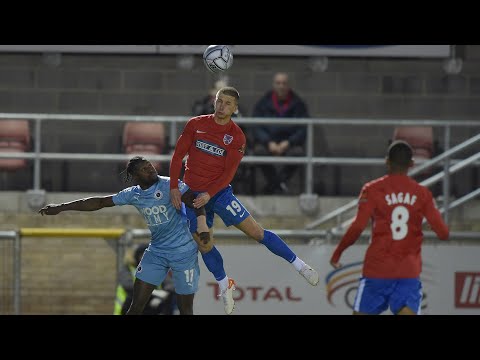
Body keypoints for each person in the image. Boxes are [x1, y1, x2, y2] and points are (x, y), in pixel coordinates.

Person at [170, 86, 319, 315]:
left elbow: (229, 174)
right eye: (220, 101)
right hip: (191, 194)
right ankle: (224, 285)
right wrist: (173, 187)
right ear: (215, 102)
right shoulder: (195, 124)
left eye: (228, 103)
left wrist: (209, 194)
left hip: (218, 193)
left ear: (235, 108)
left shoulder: (237, 136)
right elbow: (178, 155)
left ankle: (300, 265)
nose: (222, 107)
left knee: (256, 233)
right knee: (204, 243)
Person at [39, 156, 206, 315]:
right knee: (135, 307)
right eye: (144, 169)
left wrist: (202, 225)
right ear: (135, 176)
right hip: (157, 252)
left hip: (183, 252)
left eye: (150, 165)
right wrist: (61, 207)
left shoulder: (170, 184)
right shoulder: (133, 194)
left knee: (185, 310)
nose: (151, 169)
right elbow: (99, 202)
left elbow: (195, 200)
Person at [329, 140, 450, 315]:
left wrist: (337, 253)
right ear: (411, 164)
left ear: (387, 161)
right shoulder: (422, 194)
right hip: (407, 273)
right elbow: (443, 233)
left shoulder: (372, 189)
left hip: (377, 270)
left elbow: (357, 227)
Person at [251, 72, 308, 194]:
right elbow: (256, 126)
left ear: (289, 86)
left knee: (298, 154)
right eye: (278, 83)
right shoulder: (264, 102)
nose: (281, 86)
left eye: (284, 83)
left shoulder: (298, 104)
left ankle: (273, 186)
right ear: (274, 85)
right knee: (258, 152)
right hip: (268, 143)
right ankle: (279, 185)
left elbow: (302, 129)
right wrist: (268, 142)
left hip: (288, 143)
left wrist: (288, 142)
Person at [114, 243, 176, 315]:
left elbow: (170, 285)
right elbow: (129, 287)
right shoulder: (128, 269)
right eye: (142, 255)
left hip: (150, 308)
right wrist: (155, 293)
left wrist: (161, 297)